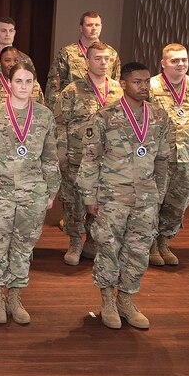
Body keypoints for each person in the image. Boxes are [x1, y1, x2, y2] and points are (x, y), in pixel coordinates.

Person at [0, 57, 60, 325]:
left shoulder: (43, 116)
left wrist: (51, 191)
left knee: (22, 248)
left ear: (34, 85)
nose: (23, 85)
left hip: (32, 194)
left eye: (29, 81)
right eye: (18, 81)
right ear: (9, 84)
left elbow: (50, 157)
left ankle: (15, 297)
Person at [78, 62, 170, 330]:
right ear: (123, 84)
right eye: (137, 82)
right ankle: (107, 300)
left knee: (138, 251)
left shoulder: (159, 116)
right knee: (108, 248)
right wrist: (89, 196)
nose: (143, 87)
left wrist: (159, 194)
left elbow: (163, 159)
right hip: (111, 196)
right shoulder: (106, 116)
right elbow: (90, 159)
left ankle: (126, 299)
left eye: (146, 81)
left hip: (145, 198)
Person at [53, 40, 123, 265]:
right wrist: (61, 157)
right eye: (97, 58)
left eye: (106, 59)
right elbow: (59, 124)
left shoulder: (119, 90)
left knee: (101, 202)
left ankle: (92, 240)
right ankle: (74, 241)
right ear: (87, 61)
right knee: (74, 202)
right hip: (77, 158)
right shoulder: (72, 91)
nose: (103, 63)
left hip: (107, 161)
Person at [147, 43, 189, 266]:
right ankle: (150, 244)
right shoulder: (150, 87)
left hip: (185, 160)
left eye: (183, 59)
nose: (180, 64)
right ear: (163, 63)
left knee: (177, 203)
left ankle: (164, 241)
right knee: (153, 203)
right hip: (156, 160)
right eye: (174, 60)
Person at [44, 11, 119, 107]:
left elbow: (116, 83)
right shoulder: (67, 53)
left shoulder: (111, 54)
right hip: (75, 109)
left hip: (105, 110)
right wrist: (55, 112)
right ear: (81, 28)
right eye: (89, 25)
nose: (94, 28)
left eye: (97, 25)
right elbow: (54, 86)